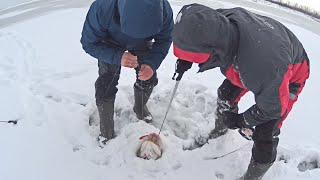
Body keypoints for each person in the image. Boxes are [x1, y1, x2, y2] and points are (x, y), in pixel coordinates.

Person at [172, 4, 310, 180]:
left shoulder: (261, 66)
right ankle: (219, 133)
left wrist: (240, 120)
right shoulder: (219, 22)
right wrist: (187, 59)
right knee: (226, 94)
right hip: (250, 51)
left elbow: (272, 108)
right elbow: (197, 32)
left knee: (266, 131)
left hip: (288, 72)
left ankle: (253, 176)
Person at [80, 0, 174, 147]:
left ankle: (140, 107)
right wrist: (117, 56)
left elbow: (165, 39)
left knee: (148, 77)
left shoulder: (164, 9)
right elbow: (88, 43)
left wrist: (152, 63)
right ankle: (106, 129)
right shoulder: (103, 7)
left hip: (143, 44)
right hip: (109, 44)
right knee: (105, 84)